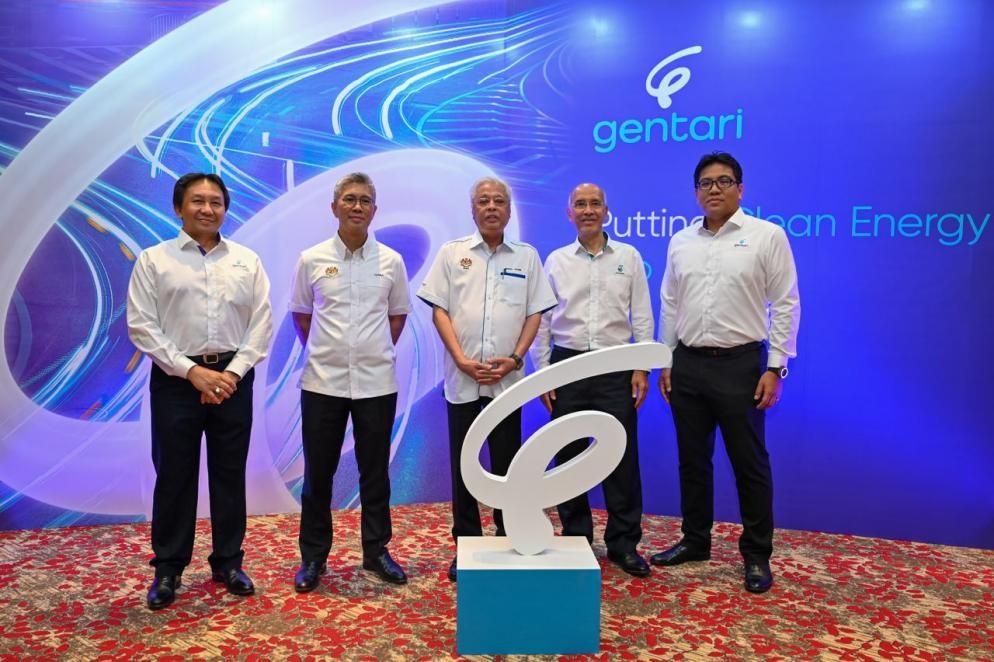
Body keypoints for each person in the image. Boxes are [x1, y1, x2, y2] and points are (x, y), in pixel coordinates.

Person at [652, 152, 800, 594]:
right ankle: (695, 540)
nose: (714, 189)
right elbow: (670, 303)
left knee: (749, 463)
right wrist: (666, 360)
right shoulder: (681, 241)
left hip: (741, 365)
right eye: (705, 182)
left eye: (724, 181)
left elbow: (786, 303)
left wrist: (776, 367)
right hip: (688, 363)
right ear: (696, 191)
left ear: (740, 188)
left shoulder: (766, 236)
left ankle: (756, 554)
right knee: (692, 460)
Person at [127, 172, 273, 610]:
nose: (208, 209)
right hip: (176, 382)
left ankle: (228, 562)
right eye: (198, 201)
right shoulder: (154, 260)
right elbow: (141, 325)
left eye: (216, 202)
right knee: (174, 476)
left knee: (229, 474)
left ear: (225, 209)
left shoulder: (246, 260)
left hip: (234, 380)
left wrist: (231, 375)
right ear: (179, 207)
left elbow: (261, 323)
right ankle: (168, 568)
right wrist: (192, 372)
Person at [417, 176, 556, 582]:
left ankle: (507, 534)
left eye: (498, 201)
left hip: (507, 382)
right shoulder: (452, 253)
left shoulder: (526, 257)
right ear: (473, 209)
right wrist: (460, 359)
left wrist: (516, 359)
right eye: (483, 201)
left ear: (509, 211)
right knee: (464, 465)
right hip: (462, 379)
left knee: (507, 463)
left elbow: (535, 313)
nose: (491, 207)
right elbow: (439, 310)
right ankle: (466, 541)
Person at [288, 172, 410, 592]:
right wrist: (332, 351)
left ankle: (376, 551)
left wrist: (370, 350)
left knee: (374, 474)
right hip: (323, 383)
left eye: (365, 200)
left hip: (377, 383)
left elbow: (397, 317)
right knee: (317, 475)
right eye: (349, 199)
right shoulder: (311, 259)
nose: (357, 206)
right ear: (334, 206)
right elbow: (302, 315)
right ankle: (313, 557)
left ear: (374, 210)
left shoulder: (391, 261)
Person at [531, 182, 654, 577]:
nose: (588, 210)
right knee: (568, 457)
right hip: (566, 367)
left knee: (621, 458)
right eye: (580, 204)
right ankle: (576, 538)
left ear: (606, 211)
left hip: (615, 366)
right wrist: (543, 373)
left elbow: (642, 315)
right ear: (570, 213)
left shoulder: (629, 257)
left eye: (595, 203)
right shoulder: (556, 260)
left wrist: (642, 366)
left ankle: (623, 544)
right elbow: (543, 321)